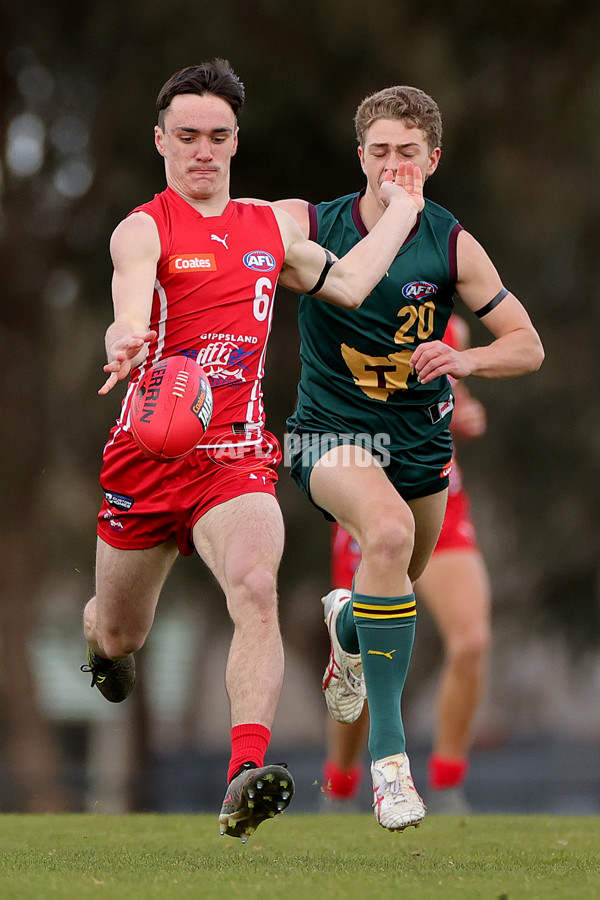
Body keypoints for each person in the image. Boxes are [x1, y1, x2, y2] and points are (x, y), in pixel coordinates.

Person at [80, 60, 426, 843]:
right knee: (120, 638)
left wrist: (402, 214)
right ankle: (98, 631)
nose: (204, 150)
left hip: (236, 458)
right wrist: (124, 336)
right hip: (146, 455)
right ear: (161, 140)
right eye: (188, 136)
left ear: (237, 141)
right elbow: (128, 298)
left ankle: (245, 775)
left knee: (255, 589)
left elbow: (350, 285)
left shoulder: (270, 227)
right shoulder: (144, 227)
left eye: (219, 136)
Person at [274, 85, 544, 833]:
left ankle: (347, 626)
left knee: (394, 578)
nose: (395, 166)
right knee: (386, 537)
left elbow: (528, 344)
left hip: (422, 452)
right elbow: (244, 231)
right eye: (381, 152)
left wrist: (468, 363)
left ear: (433, 159)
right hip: (327, 438)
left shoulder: (453, 243)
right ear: (361, 156)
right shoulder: (317, 222)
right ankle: (390, 770)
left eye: (409, 153)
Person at [322, 314, 492, 814]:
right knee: (365, 656)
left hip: (438, 501)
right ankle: (340, 786)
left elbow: (453, 401)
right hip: (368, 501)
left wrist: (464, 413)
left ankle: (448, 783)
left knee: (472, 641)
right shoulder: (342, 311)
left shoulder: (450, 328)